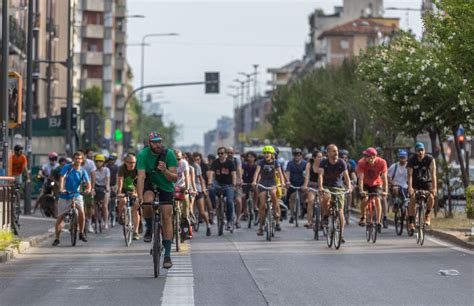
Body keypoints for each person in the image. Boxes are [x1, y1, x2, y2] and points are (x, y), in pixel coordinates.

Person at [137, 132, 178, 269]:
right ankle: (149, 227)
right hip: (150, 183)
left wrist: (165, 170)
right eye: (154, 142)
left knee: (166, 216)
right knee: (147, 203)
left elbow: (174, 178)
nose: (157, 144)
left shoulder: (169, 154)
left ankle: (167, 254)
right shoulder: (143, 155)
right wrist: (139, 197)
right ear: (149, 143)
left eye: (159, 141)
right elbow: (141, 177)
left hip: (166, 186)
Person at [52, 151, 91, 246]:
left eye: (80, 158)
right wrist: (61, 189)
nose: (78, 160)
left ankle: (81, 233)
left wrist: (88, 189)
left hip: (77, 194)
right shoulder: (67, 167)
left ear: (82, 160)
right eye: (76, 158)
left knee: (81, 212)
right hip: (65, 195)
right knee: (60, 217)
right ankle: (57, 238)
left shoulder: (82, 171)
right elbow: (62, 178)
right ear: (73, 159)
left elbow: (87, 183)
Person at [318, 144, 352, 243]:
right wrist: (320, 186)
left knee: (340, 211)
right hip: (327, 187)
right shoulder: (324, 162)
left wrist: (349, 187)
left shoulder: (342, 162)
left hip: (339, 188)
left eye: (336, 151)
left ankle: (341, 234)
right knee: (326, 197)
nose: (336, 153)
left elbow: (346, 177)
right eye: (333, 151)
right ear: (328, 153)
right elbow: (320, 175)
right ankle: (325, 215)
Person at [252, 145, 285, 235]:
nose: (267, 154)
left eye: (268, 153)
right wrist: (254, 181)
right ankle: (261, 227)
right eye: (265, 153)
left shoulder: (276, 162)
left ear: (272, 154)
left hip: (272, 182)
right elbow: (256, 172)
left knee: (273, 193)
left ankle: (276, 211)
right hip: (263, 182)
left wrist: (282, 183)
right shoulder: (261, 162)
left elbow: (280, 173)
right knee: (262, 205)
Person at [356, 147, 388, 234]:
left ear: (373, 156)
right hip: (365, 183)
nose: (365, 157)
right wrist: (361, 190)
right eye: (365, 155)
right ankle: (363, 217)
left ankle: (378, 221)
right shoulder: (361, 162)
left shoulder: (382, 162)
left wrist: (385, 190)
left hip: (376, 183)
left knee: (377, 199)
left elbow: (384, 177)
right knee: (365, 199)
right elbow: (361, 178)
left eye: (367, 156)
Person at [407, 142, 437, 231]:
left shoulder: (430, 159)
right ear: (415, 152)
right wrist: (410, 188)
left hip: (426, 182)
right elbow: (409, 175)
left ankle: (427, 214)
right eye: (418, 150)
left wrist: (434, 188)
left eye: (422, 150)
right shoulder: (411, 160)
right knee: (412, 198)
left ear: (425, 151)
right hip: (415, 182)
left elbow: (433, 174)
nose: (420, 152)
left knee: (431, 197)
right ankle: (411, 222)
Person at [208, 147, 237, 231]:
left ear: (225, 154)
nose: (220, 155)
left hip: (228, 184)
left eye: (222, 153)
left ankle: (229, 221)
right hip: (218, 183)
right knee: (211, 189)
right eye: (219, 153)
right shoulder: (215, 162)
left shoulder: (230, 163)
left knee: (229, 201)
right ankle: (214, 207)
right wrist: (209, 183)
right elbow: (211, 173)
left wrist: (234, 184)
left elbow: (234, 174)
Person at [117, 153, 140, 240]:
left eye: (134, 162)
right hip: (123, 189)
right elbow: (120, 180)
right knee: (123, 201)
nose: (132, 164)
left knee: (136, 208)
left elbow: (139, 182)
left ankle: (136, 231)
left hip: (134, 190)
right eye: (130, 163)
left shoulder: (138, 168)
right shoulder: (122, 168)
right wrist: (119, 192)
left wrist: (137, 193)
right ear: (125, 162)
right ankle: (119, 215)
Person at [191, 152, 211, 236]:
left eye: (198, 159)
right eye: (194, 160)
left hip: (198, 189)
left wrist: (203, 189)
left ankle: (208, 225)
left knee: (202, 212)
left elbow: (202, 179)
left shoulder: (198, 166)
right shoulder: (187, 166)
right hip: (190, 190)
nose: (196, 161)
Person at [286, 148, 307, 224]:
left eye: (298, 155)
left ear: (301, 156)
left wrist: (305, 184)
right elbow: (287, 173)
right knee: (292, 198)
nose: (297, 157)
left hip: (302, 183)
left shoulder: (305, 163)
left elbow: (307, 175)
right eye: (295, 155)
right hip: (293, 183)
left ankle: (303, 206)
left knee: (305, 195)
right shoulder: (290, 163)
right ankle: (292, 215)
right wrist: (288, 181)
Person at [303, 150, 323, 228]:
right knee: (310, 201)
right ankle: (309, 221)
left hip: (322, 185)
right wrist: (305, 185)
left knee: (322, 202)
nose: (321, 158)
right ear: (314, 158)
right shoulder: (309, 164)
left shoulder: (324, 164)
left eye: (322, 157)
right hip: (312, 184)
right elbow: (307, 176)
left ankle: (323, 220)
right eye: (319, 157)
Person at [227, 147, 244, 228]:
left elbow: (239, 169)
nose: (229, 154)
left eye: (231, 152)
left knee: (238, 201)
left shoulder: (236, 160)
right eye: (228, 152)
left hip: (236, 183)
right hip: (226, 183)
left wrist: (240, 179)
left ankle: (237, 220)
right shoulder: (223, 160)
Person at [93, 154, 111, 229]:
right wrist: (92, 188)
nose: (98, 163)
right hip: (96, 187)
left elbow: (107, 180)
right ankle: (96, 220)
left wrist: (107, 188)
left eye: (100, 161)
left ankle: (106, 222)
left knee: (104, 206)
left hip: (104, 187)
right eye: (97, 161)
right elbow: (92, 180)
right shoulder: (93, 170)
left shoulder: (106, 170)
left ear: (103, 162)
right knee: (94, 206)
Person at [81, 149, 97, 233]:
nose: (80, 158)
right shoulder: (75, 163)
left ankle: (90, 223)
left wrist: (92, 188)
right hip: (78, 185)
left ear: (85, 155)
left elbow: (93, 176)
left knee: (89, 205)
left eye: (82, 156)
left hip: (88, 184)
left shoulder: (90, 163)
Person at [241, 151, 258, 221]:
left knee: (256, 191)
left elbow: (258, 174)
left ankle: (255, 205)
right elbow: (241, 172)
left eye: (251, 156)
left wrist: (256, 181)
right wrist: (241, 179)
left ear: (254, 158)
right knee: (243, 196)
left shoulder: (257, 166)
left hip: (254, 183)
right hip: (246, 183)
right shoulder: (244, 165)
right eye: (248, 156)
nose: (250, 158)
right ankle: (245, 211)